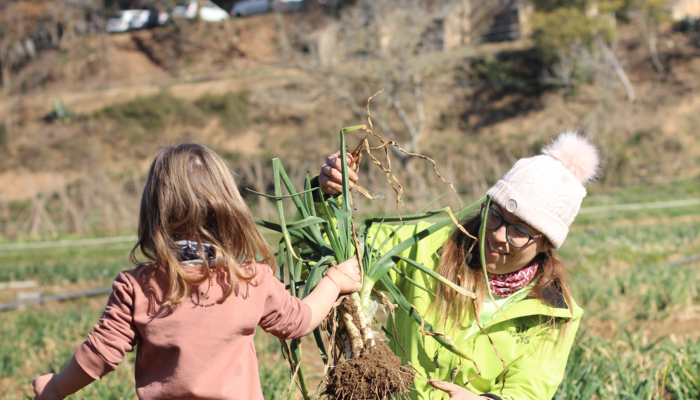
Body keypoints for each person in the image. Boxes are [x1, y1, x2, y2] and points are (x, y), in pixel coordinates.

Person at [32, 143, 362, 400]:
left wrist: (56, 388)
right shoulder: (250, 278)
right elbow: (299, 320)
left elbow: (99, 354)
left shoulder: (138, 286)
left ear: (154, 213)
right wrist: (335, 281)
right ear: (229, 209)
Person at [317, 132, 600, 400]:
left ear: (546, 244)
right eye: (496, 215)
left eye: (519, 232)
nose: (499, 235)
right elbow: (339, 251)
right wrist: (329, 197)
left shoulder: (554, 311)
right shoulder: (427, 246)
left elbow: (530, 389)